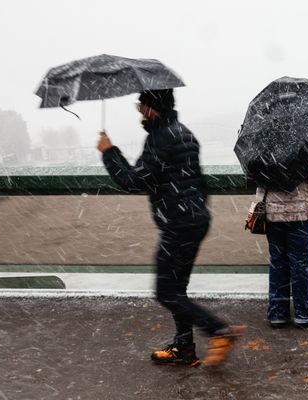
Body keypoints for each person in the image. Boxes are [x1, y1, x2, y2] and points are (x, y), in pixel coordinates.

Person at [97, 89, 245, 367]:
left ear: (153, 108)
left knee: (166, 292)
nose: (138, 110)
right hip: (195, 219)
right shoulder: (184, 133)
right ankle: (184, 348)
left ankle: (218, 331)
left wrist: (109, 153)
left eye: (141, 105)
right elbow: (197, 181)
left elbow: (134, 181)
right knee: (177, 289)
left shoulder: (161, 138)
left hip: (179, 224)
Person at [256, 167, 308, 329]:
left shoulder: (262, 151)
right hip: (299, 213)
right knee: (300, 263)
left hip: (272, 213)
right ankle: (304, 313)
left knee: (277, 262)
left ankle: (277, 313)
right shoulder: (303, 148)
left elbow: (259, 181)